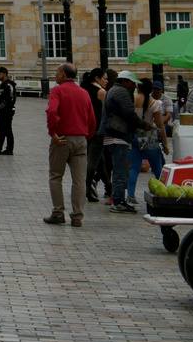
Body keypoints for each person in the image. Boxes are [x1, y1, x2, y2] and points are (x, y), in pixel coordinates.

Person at [45, 63, 96, 227]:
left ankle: (58, 213)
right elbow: (92, 119)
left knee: (56, 176)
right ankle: (77, 216)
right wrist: (86, 136)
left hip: (62, 138)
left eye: (56, 71)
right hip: (81, 138)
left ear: (62, 74)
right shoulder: (84, 93)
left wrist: (53, 132)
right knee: (79, 179)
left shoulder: (57, 91)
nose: (55, 74)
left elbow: (52, 111)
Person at [102, 70, 142, 213]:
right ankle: (118, 202)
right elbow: (129, 113)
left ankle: (119, 200)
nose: (134, 86)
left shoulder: (113, 90)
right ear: (125, 81)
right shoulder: (121, 92)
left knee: (120, 171)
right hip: (118, 136)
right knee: (121, 172)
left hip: (112, 137)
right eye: (132, 83)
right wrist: (143, 124)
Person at [129, 78, 169, 199]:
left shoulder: (132, 99)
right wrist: (166, 143)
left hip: (133, 134)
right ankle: (163, 193)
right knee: (157, 168)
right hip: (148, 135)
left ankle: (130, 195)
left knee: (134, 167)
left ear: (138, 88)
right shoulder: (155, 103)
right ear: (150, 89)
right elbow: (160, 124)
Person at [81, 67, 110, 202]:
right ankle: (86, 189)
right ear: (97, 79)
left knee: (100, 161)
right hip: (98, 128)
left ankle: (109, 188)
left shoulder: (84, 90)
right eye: (105, 78)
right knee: (93, 160)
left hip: (86, 128)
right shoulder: (100, 92)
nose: (107, 81)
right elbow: (108, 111)